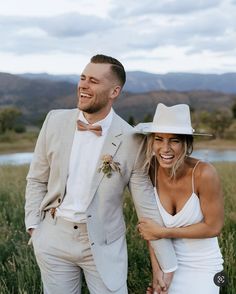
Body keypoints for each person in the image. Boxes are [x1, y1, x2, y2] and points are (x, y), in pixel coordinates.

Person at [24, 55, 178, 294]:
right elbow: (36, 178)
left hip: (105, 245)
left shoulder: (132, 139)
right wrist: (34, 227)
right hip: (53, 238)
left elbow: (145, 204)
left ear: (114, 91)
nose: (83, 85)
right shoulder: (54, 120)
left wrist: (165, 264)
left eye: (93, 81)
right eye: (82, 78)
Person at [136, 103, 224, 294]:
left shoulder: (204, 174)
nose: (165, 148)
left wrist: (163, 232)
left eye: (174, 141)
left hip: (204, 268)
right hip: (168, 265)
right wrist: (158, 271)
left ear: (186, 143)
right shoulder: (149, 170)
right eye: (159, 139)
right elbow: (151, 229)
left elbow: (214, 227)